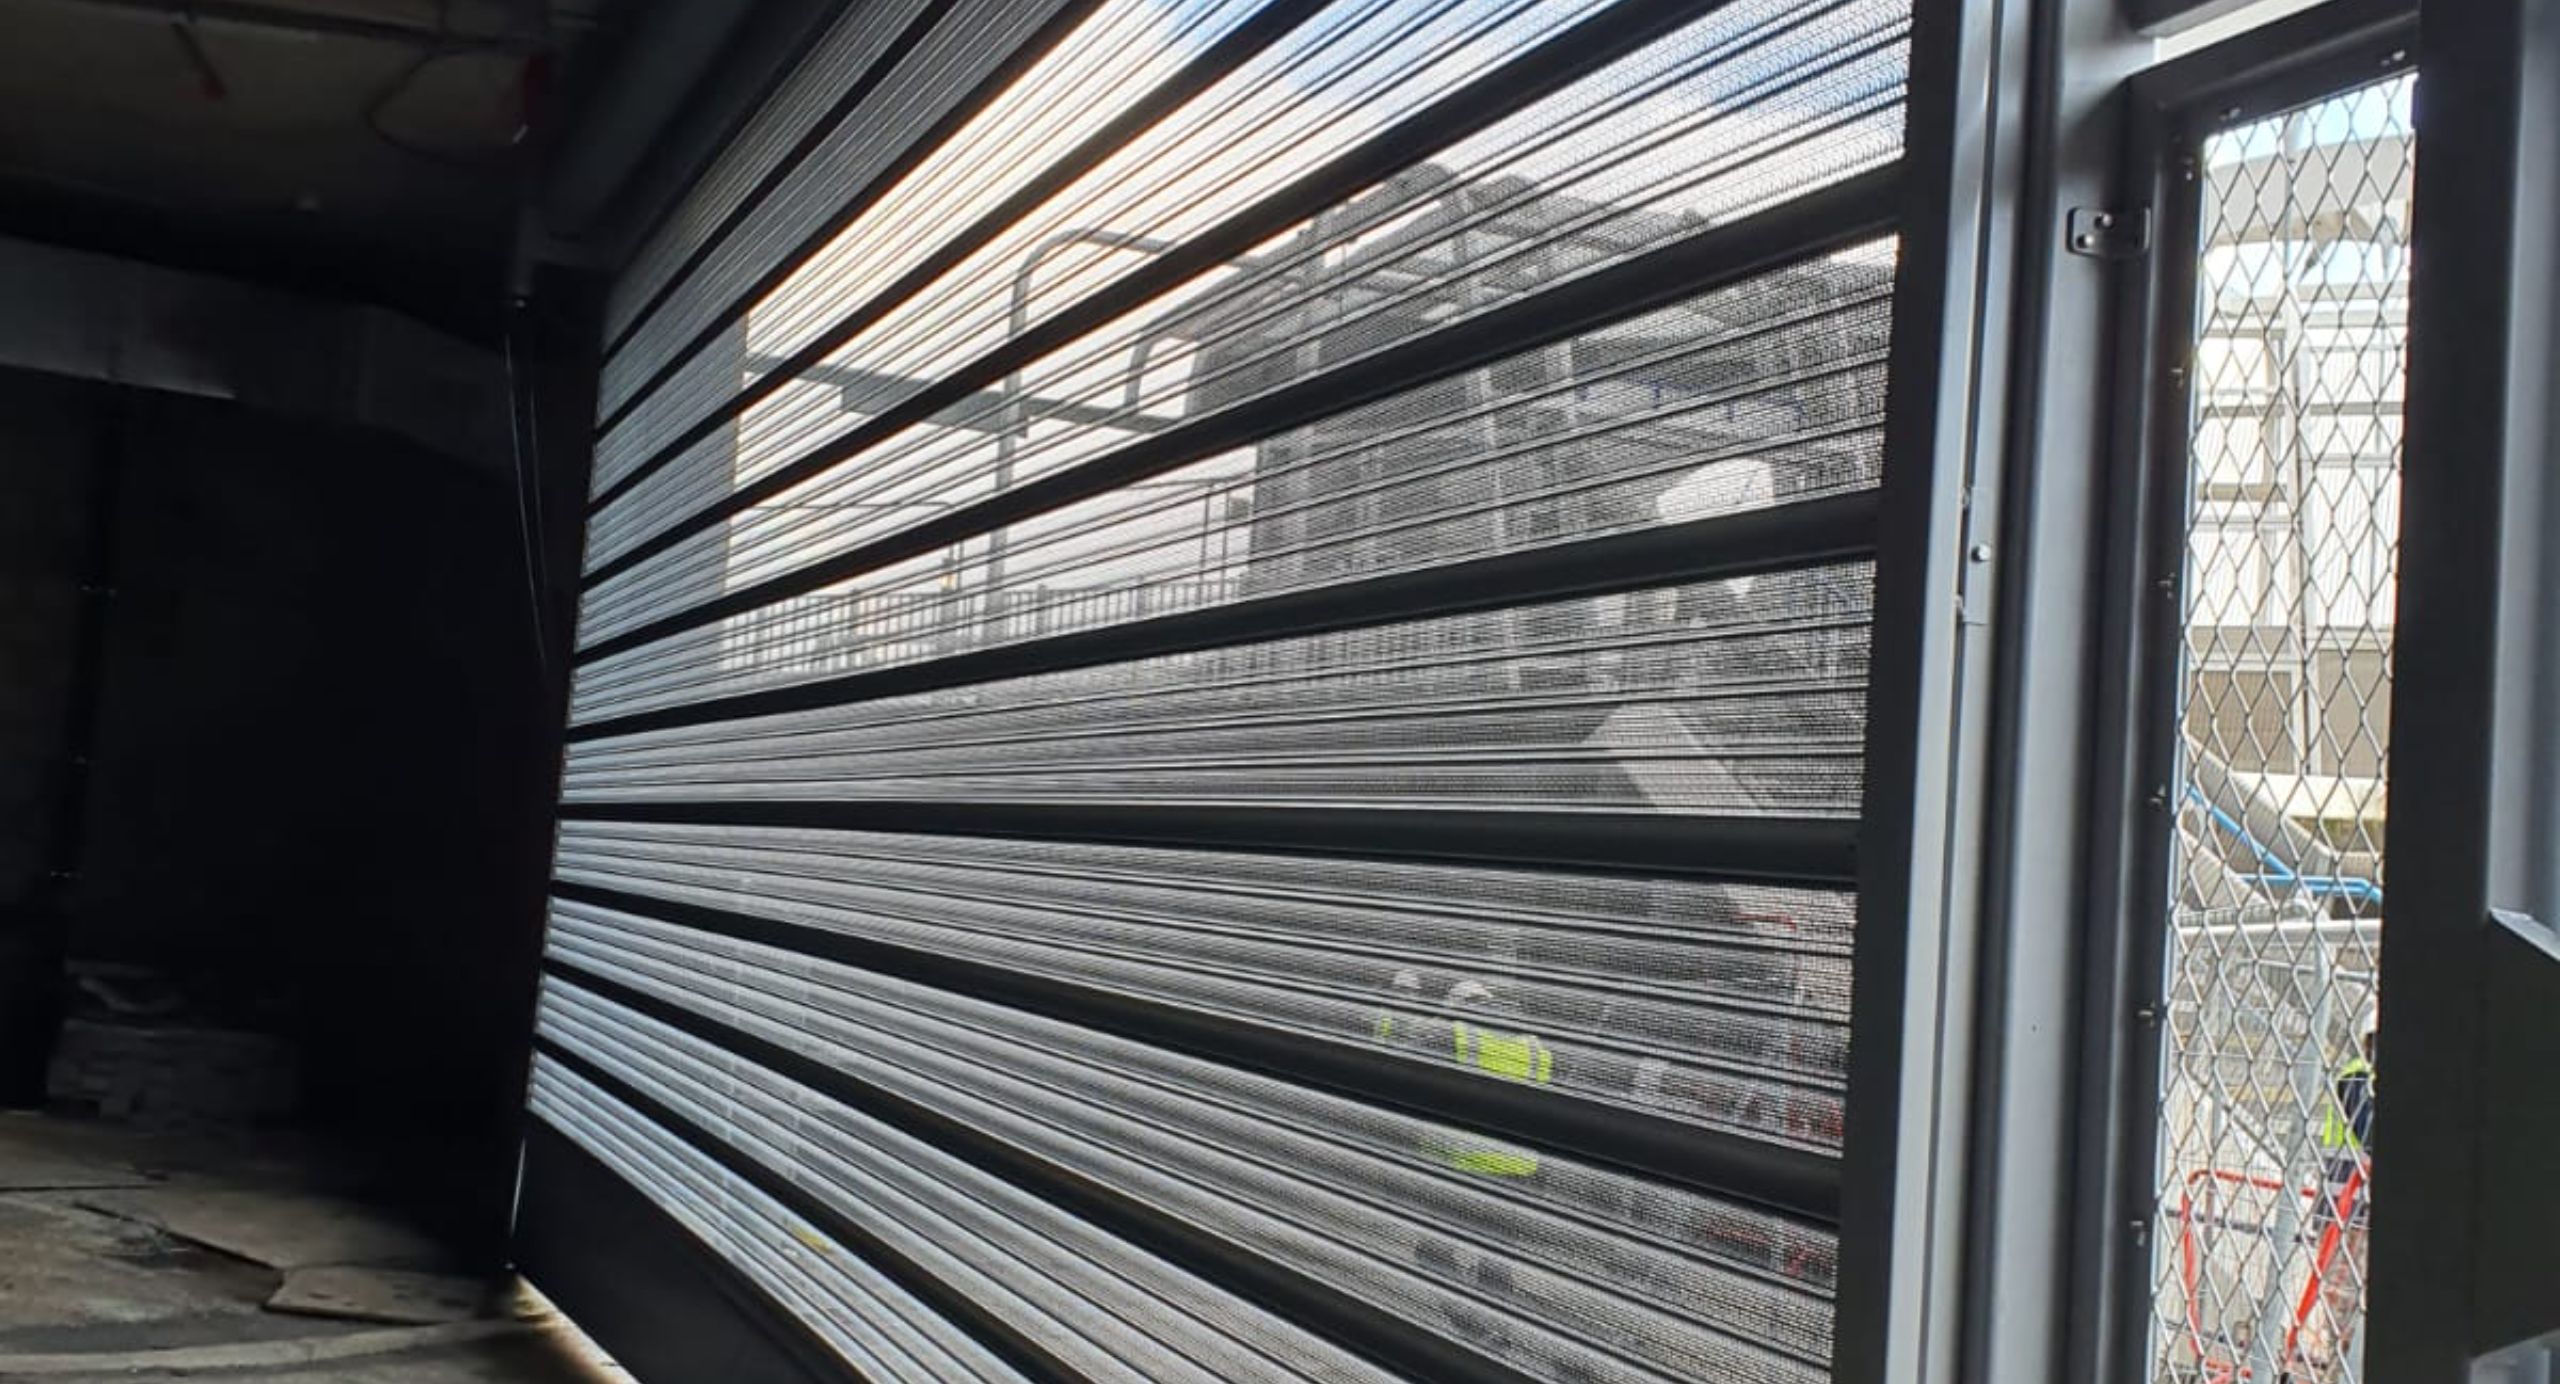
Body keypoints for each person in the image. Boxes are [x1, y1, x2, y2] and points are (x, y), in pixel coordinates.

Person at [2303, 1013, 2376, 1376]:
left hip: (2354, 1213)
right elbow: (2370, 1135)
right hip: (2346, 1217)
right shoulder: (2358, 1078)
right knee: (2345, 1318)